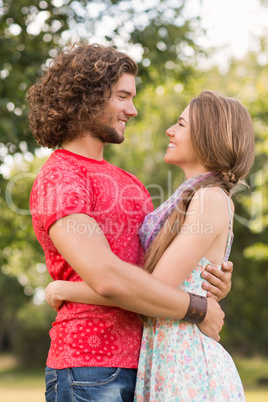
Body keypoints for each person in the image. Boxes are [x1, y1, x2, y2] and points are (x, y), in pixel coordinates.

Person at [28, 44, 232, 402]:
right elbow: (108, 277)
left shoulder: (132, 184)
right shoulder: (61, 177)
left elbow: (153, 273)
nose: (133, 110)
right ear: (88, 97)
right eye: (123, 96)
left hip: (149, 364)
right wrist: (197, 308)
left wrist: (208, 280)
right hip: (88, 368)